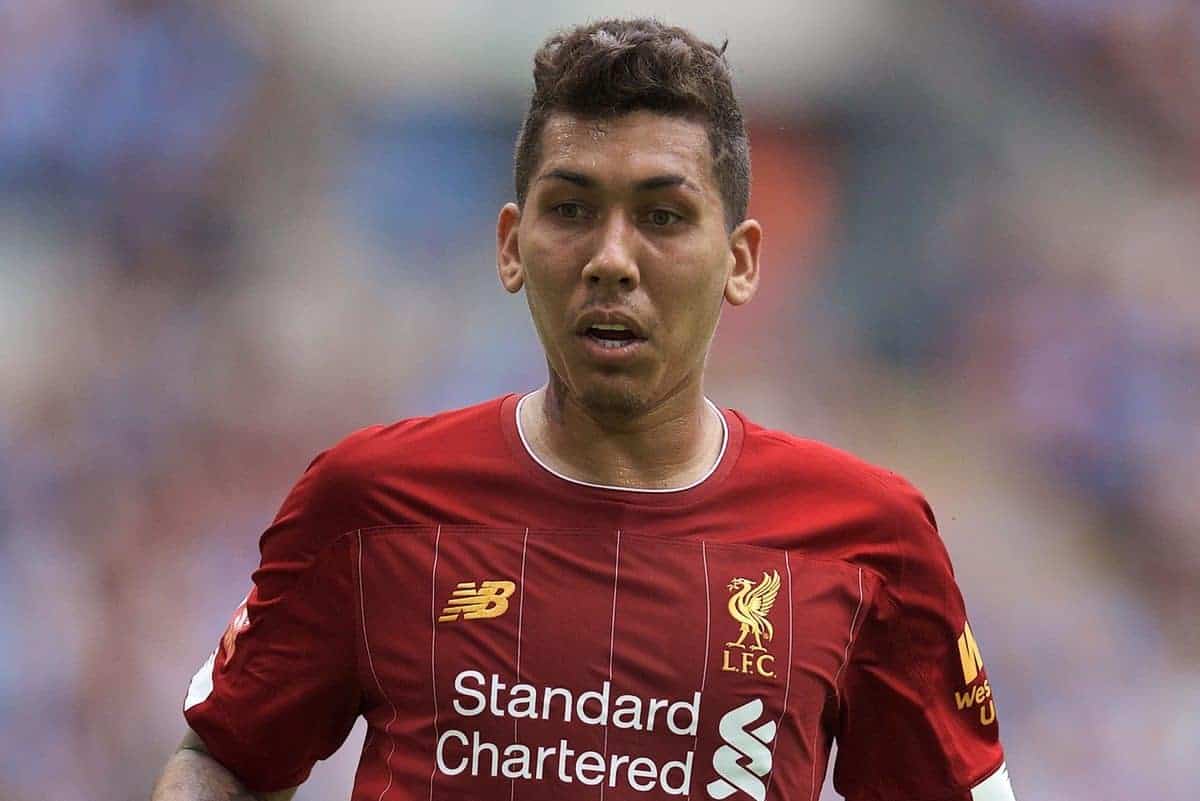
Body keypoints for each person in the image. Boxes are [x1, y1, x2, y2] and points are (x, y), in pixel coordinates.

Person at [152, 17, 1016, 801]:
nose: (611, 257)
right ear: (511, 245)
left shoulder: (867, 539)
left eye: (663, 215)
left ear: (742, 260)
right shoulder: (369, 502)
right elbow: (223, 757)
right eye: (571, 208)